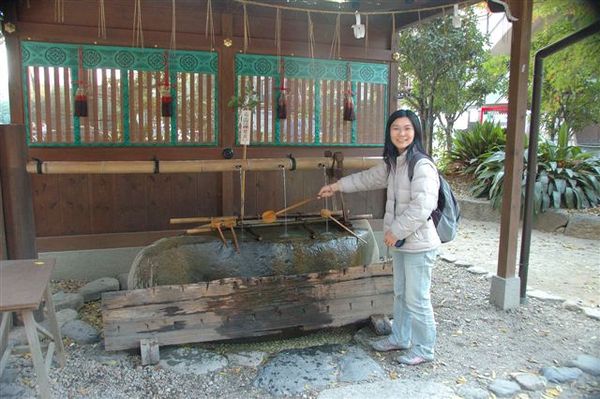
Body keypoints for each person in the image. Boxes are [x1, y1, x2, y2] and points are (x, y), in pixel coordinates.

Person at [318, 109, 440, 366]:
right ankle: (400, 338)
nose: (401, 133)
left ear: (416, 131)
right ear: (389, 132)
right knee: (400, 294)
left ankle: (425, 349)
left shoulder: (421, 164)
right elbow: (367, 178)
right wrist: (337, 186)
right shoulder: (395, 162)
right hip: (401, 242)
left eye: (407, 128)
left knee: (417, 298)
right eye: (396, 128)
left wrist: (395, 232)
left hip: (418, 243)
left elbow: (422, 206)